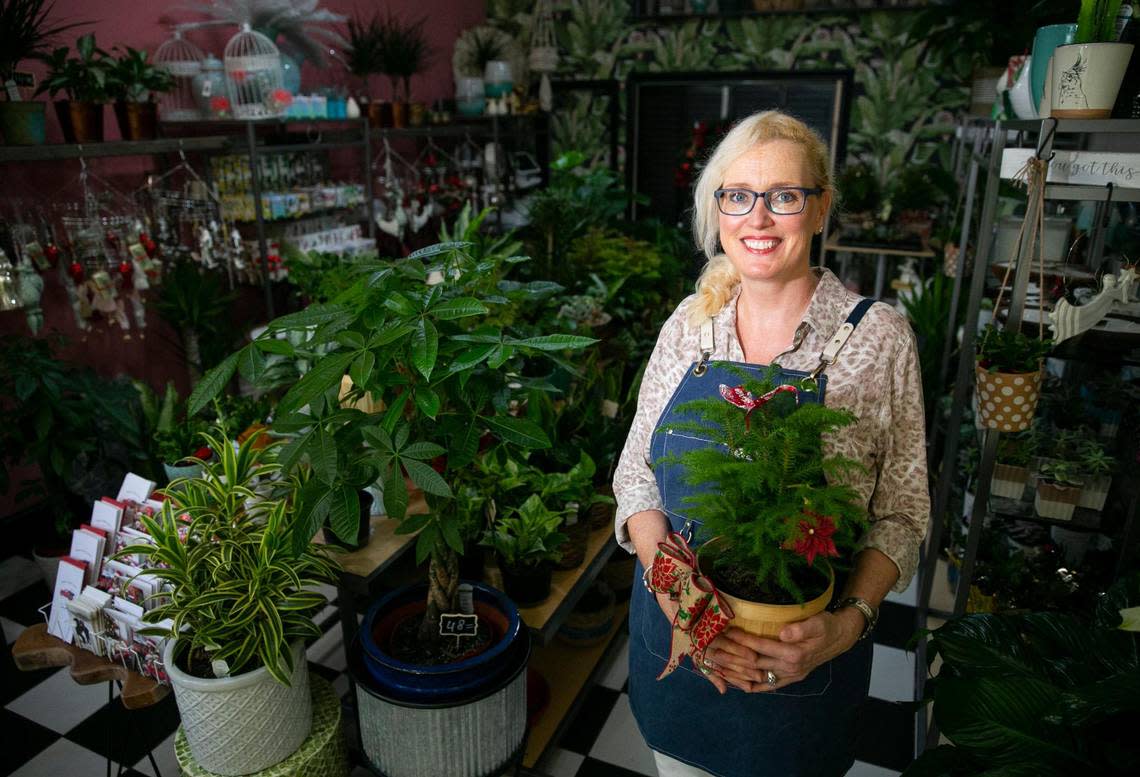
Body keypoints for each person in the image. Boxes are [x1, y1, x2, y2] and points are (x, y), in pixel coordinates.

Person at [612, 110, 930, 777]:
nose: (757, 219)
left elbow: (903, 512)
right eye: (737, 195)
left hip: (802, 666)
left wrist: (847, 625)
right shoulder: (689, 326)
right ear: (718, 208)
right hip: (682, 653)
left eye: (783, 196)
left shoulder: (878, 340)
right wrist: (681, 598)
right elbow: (636, 476)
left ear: (820, 210)